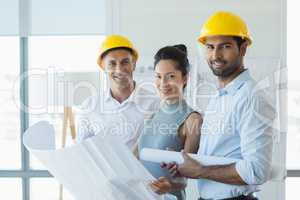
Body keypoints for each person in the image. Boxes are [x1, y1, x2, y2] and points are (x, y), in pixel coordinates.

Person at [163, 11, 276, 200]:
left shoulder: (251, 98)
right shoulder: (219, 97)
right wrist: (183, 163)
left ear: (243, 48)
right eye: (210, 47)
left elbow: (256, 170)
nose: (215, 55)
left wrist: (199, 170)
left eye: (225, 46)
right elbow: (217, 154)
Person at [136, 44, 203, 200]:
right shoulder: (153, 115)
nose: (163, 83)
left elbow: (185, 177)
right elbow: (133, 157)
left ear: (185, 78)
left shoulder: (192, 119)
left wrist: (169, 184)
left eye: (171, 76)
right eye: (158, 76)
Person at [76, 35, 159, 149]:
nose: (119, 69)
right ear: (103, 67)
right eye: (112, 63)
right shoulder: (89, 106)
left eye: (125, 62)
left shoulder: (154, 104)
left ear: (133, 64)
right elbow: (83, 150)